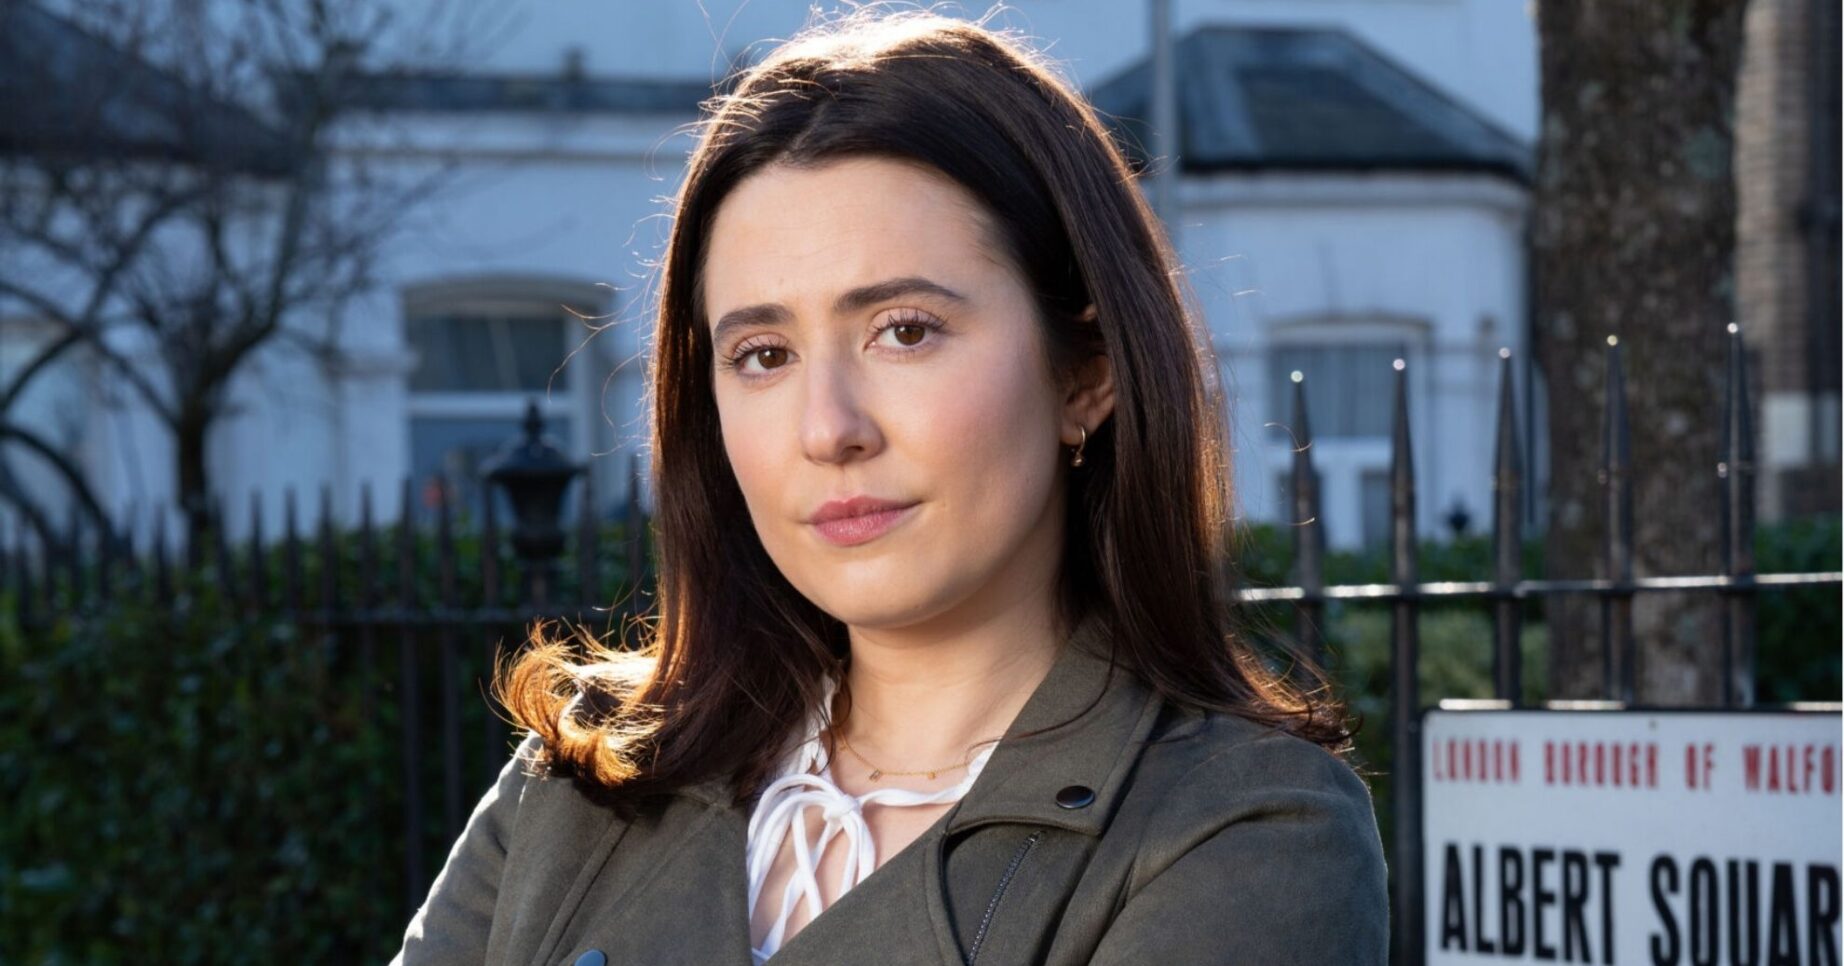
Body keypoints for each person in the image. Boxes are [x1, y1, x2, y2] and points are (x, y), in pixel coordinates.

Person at [391, 9, 1387, 965]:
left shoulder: (1238, 827)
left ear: (1084, 373)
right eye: (762, 352)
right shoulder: (581, 783)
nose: (829, 430)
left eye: (903, 331)